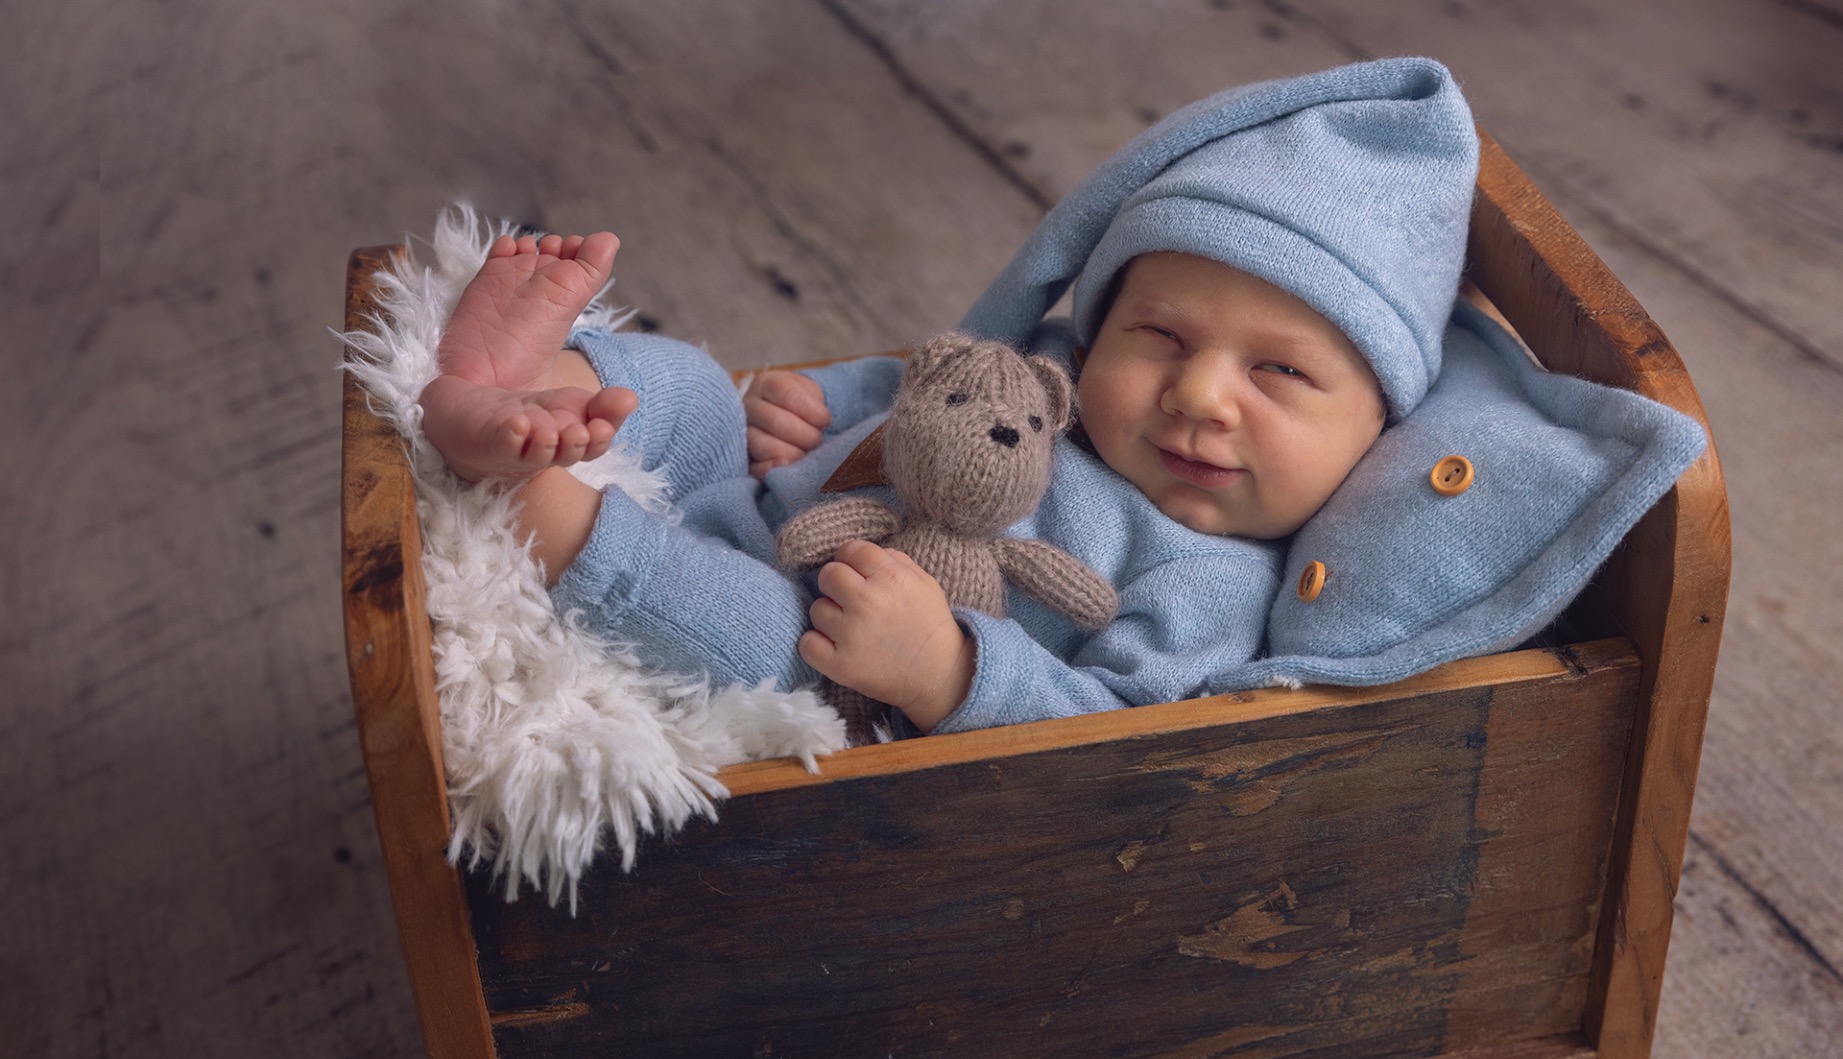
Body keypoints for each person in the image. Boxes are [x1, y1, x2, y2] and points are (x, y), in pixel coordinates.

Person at [418, 57, 1479, 738]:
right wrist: (812, 411)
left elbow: (1110, 738)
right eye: (1158, 335)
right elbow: (904, 385)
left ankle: (528, 495)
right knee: (693, 388)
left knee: (758, 644)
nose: (1198, 394)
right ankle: (530, 384)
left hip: (833, 657)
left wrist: (944, 672)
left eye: (1278, 372)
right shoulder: (1048, 389)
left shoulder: (1211, 587)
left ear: (1377, 424)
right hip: (754, 500)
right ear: (1090, 330)